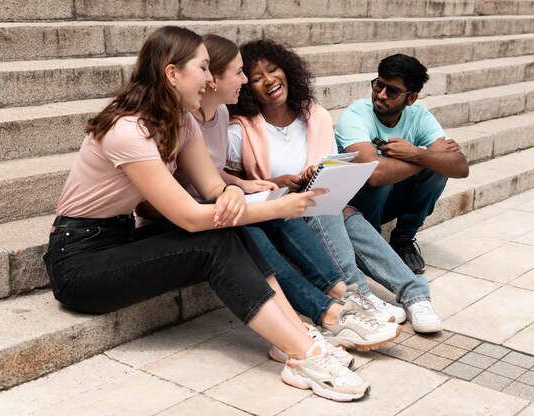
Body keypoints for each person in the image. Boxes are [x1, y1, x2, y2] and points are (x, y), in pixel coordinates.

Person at [42, 26, 369, 402]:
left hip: (118, 238)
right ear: (172, 73)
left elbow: (213, 187)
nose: (210, 79)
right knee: (212, 239)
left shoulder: (181, 121)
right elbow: (191, 218)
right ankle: (304, 355)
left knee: (230, 231)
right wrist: (278, 207)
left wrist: (230, 191)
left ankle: (293, 335)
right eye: (203, 69)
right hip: (79, 262)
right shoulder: (128, 130)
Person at [169, 33, 400, 356]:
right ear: (211, 80)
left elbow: (209, 172)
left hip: (217, 199)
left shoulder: (220, 114)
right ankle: (327, 314)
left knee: (282, 207)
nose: (247, 79)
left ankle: (343, 294)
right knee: (254, 232)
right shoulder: (185, 120)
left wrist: (248, 186)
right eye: (239, 73)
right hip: (189, 211)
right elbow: (182, 186)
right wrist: (237, 190)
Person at [227, 39, 443, 333]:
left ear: (287, 70)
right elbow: (232, 189)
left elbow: (329, 173)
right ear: (247, 86)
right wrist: (277, 183)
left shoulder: (314, 116)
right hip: (277, 217)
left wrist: (315, 177)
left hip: (322, 210)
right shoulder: (240, 131)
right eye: (255, 77)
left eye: (273, 69)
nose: (268, 81)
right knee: (322, 201)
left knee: (335, 206)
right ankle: (357, 293)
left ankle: (414, 296)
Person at [334, 54, 470, 275]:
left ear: (411, 98)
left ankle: (403, 238)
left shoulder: (418, 116)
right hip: (353, 205)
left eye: (393, 91)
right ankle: (369, 244)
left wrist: (417, 153)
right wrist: (424, 157)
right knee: (388, 178)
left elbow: (460, 167)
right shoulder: (356, 114)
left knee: (438, 171)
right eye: (378, 85)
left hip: (388, 201)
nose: (381, 95)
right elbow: (374, 174)